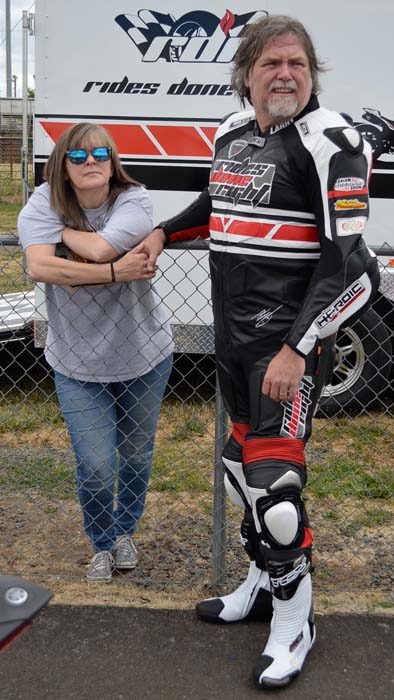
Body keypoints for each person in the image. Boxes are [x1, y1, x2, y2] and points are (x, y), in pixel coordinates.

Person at [135, 14, 379, 687]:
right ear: (246, 73)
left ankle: (294, 621)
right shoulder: (232, 133)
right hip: (234, 345)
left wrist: (298, 349)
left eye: (297, 64)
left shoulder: (331, 141)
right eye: (271, 63)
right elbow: (215, 204)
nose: (285, 75)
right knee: (241, 471)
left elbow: (351, 268)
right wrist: (162, 233)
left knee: (275, 493)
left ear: (312, 73)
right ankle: (260, 586)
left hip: (286, 353)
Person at [18, 123, 173, 583]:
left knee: (137, 454)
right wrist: (113, 272)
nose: (92, 163)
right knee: (97, 465)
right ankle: (102, 541)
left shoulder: (134, 200)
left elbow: (104, 245)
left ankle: (125, 531)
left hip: (144, 355)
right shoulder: (40, 202)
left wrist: (63, 234)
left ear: (113, 161)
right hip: (76, 362)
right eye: (79, 157)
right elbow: (39, 266)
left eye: (101, 154)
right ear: (62, 166)